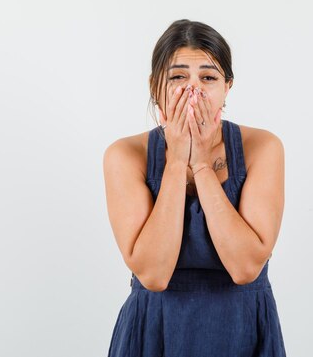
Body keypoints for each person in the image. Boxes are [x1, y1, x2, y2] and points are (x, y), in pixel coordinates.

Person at [102, 19, 287, 357]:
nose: (193, 90)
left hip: (240, 331)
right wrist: (175, 162)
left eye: (208, 77)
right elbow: (154, 274)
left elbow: (246, 268)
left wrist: (201, 164)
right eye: (177, 77)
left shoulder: (263, 147)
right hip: (154, 332)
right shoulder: (125, 155)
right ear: (154, 86)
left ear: (227, 87)